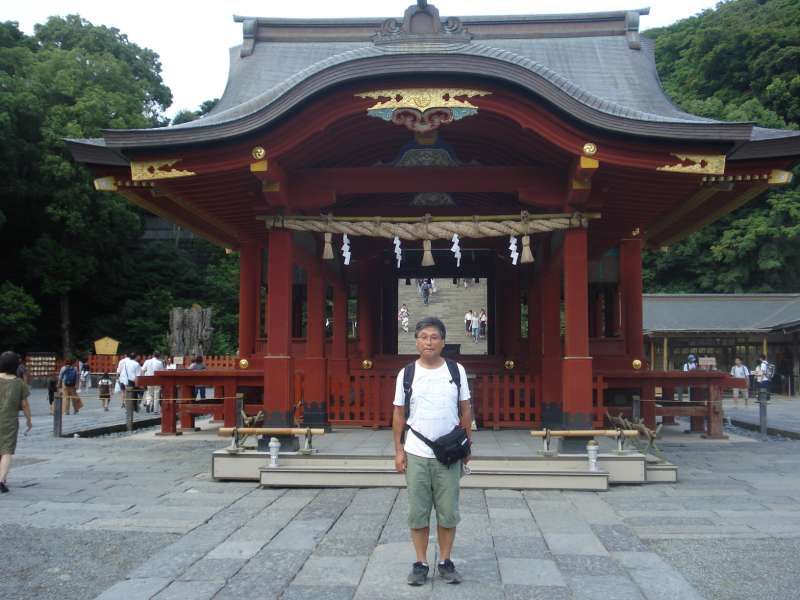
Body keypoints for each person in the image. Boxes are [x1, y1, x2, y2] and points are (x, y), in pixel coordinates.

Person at [392, 317, 472, 586]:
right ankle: (420, 562)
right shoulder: (407, 373)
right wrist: (399, 451)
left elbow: (466, 409)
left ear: (443, 342)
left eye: (434, 337)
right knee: (418, 511)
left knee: (448, 512)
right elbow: (399, 413)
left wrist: (467, 447)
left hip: (448, 454)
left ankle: (445, 561)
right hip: (416, 452)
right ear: (416, 341)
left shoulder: (455, 370)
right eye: (424, 336)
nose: (429, 341)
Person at [0, 351, 33, 493]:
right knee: (7, 450)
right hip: (9, 421)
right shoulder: (19, 383)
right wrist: (29, 420)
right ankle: (1, 480)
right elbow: (25, 404)